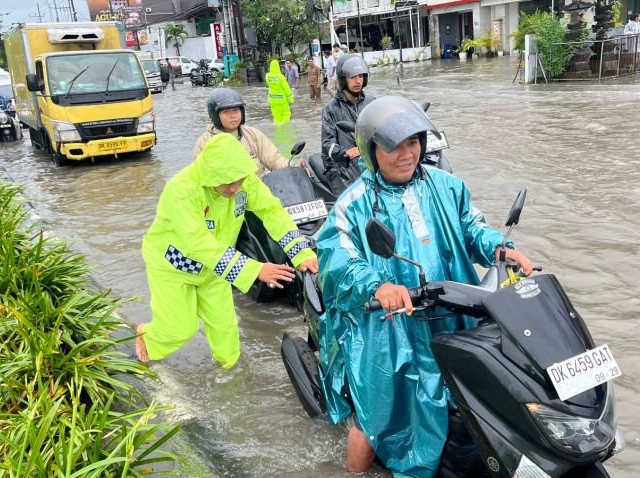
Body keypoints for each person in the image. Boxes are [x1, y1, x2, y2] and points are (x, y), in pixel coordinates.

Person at [316, 96, 533, 477]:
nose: (406, 154)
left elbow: (471, 225)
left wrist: (497, 247)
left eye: (413, 142)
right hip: (386, 327)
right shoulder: (352, 204)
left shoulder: (447, 186)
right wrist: (376, 285)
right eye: (394, 146)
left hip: (453, 310)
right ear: (371, 150)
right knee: (375, 415)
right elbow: (337, 258)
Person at [134, 133, 318, 366]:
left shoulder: (243, 182)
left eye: (238, 180)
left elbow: (272, 212)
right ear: (211, 175)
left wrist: (300, 253)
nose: (234, 188)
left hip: (216, 268)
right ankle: (147, 338)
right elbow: (197, 242)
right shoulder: (182, 190)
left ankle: (229, 379)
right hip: (173, 266)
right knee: (180, 329)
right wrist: (254, 270)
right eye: (227, 182)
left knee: (226, 332)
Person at [193, 89, 290, 177]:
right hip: (228, 193)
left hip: (258, 191)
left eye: (236, 110)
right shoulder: (205, 142)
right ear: (215, 115)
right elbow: (203, 176)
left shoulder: (252, 134)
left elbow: (275, 161)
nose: (233, 116)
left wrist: (296, 166)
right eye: (226, 112)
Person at [320, 54, 375, 196]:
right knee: (351, 203)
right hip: (341, 166)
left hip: (369, 160)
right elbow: (327, 143)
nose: (358, 81)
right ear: (344, 80)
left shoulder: (371, 102)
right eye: (353, 77)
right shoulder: (330, 109)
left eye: (361, 76)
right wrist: (344, 153)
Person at [265, 59, 294, 124]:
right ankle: (284, 128)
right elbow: (287, 89)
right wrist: (291, 100)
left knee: (276, 116)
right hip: (281, 100)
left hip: (272, 99)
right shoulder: (281, 77)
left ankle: (278, 129)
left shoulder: (267, 76)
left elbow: (268, 85)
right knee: (286, 114)